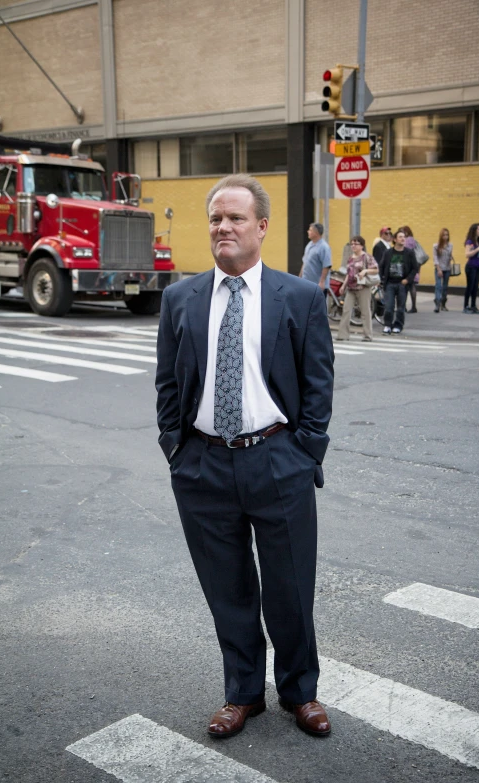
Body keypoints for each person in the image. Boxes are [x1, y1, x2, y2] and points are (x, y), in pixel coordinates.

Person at [155, 174, 334, 740]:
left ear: (261, 226)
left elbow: (318, 384)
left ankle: (300, 691)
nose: (222, 227)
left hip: (277, 459)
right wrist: (176, 451)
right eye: (215, 218)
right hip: (203, 465)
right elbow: (167, 385)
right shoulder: (179, 298)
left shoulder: (299, 297)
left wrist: (305, 452)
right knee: (227, 588)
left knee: (289, 586)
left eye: (234, 218)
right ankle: (243, 694)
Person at [336, 235, 378, 342]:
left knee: (365, 312)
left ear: (362, 245)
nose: (353, 246)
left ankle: (367, 335)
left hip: (363, 287)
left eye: (356, 244)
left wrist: (365, 271)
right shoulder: (350, 258)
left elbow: (375, 270)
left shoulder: (367, 257)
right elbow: (348, 273)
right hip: (350, 288)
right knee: (346, 310)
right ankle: (343, 335)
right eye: (352, 244)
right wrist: (343, 285)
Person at [379, 228, 418, 334]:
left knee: (401, 308)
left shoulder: (409, 253)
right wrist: (381, 279)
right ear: (395, 240)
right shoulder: (388, 253)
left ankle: (398, 325)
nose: (403, 239)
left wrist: (408, 279)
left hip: (402, 284)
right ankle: (387, 325)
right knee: (389, 307)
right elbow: (381, 266)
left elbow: (415, 268)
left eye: (404, 237)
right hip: (390, 284)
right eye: (400, 237)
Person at [299, 222, 332, 292]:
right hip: (306, 283)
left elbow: (326, 265)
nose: (308, 232)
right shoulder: (309, 244)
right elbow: (305, 262)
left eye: (310, 230)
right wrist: (300, 277)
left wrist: (322, 282)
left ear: (316, 233)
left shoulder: (324, 247)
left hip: (317, 285)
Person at [433, 228, 454, 313]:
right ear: (441, 236)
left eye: (447, 235)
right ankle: (437, 304)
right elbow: (435, 259)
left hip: (447, 268)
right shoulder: (436, 246)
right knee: (438, 286)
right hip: (439, 268)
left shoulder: (450, 245)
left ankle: (443, 304)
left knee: (445, 287)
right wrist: (439, 269)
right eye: (444, 235)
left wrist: (450, 257)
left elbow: (449, 257)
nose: (445, 236)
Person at [463, 223, 479, 313]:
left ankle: (473, 306)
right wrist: (477, 250)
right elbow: (467, 254)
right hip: (471, 267)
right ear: (474, 230)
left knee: (475, 287)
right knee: (470, 287)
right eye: (478, 229)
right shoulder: (470, 242)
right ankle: (466, 306)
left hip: (478, 267)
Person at [400, 225, 420, 313]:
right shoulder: (413, 240)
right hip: (414, 264)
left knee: (405, 287)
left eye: (402, 232)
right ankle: (414, 306)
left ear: (406, 232)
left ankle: (403, 306)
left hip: (407, 265)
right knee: (412, 286)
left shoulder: (407, 241)